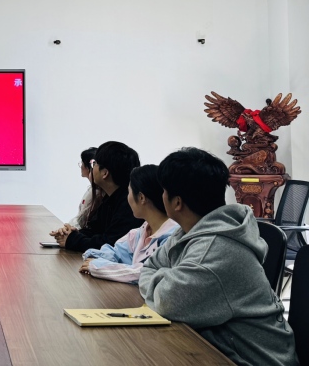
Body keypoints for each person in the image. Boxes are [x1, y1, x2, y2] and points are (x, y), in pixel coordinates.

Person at [139, 148, 297, 366]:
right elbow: (149, 267)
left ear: (177, 202)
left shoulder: (214, 251)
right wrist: (167, 278)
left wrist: (164, 278)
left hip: (253, 360)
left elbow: (167, 301)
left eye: (163, 191)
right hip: (218, 348)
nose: (161, 196)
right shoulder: (187, 232)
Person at [78, 164, 178, 283]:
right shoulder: (141, 232)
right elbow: (116, 252)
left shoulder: (173, 238)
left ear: (141, 198)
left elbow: (148, 273)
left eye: (129, 192)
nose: (127, 198)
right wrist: (94, 258)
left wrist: (100, 266)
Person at [50, 141, 143, 252]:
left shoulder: (128, 203)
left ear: (105, 173)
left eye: (94, 164)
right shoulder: (110, 198)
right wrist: (71, 233)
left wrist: (73, 240)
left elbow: (110, 243)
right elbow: (95, 230)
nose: (92, 168)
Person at [68, 147, 102, 228]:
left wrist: (69, 228)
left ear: (88, 167)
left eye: (82, 163)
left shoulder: (97, 192)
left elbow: (82, 220)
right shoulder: (92, 189)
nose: (81, 166)